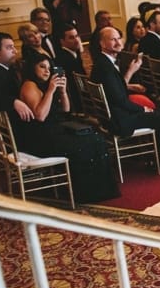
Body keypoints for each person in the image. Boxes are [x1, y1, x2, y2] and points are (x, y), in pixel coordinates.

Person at [17, 52, 120, 203]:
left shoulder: (45, 85)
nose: (47, 71)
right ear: (32, 68)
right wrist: (51, 91)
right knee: (82, 146)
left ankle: (99, 190)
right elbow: (40, 116)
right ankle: (84, 194)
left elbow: (66, 110)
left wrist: (62, 92)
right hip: (39, 137)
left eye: (49, 67)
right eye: (42, 67)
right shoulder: (29, 86)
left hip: (54, 130)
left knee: (96, 139)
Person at [91, 26, 160, 167]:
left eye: (119, 38)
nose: (118, 42)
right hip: (120, 120)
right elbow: (119, 99)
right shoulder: (105, 67)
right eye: (113, 39)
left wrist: (130, 74)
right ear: (102, 44)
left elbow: (117, 91)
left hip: (115, 115)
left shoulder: (103, 63)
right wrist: (142, 109)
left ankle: (159, 154)